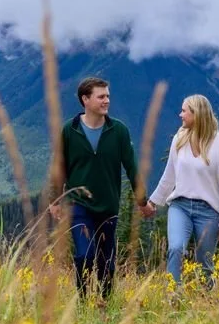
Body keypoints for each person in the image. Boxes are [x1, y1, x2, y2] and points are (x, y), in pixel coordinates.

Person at [49, 76, 150, 302]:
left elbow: (132, 167)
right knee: (85, 255)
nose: (106, 101)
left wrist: (142, 201)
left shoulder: (119, 131)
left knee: (107, 261)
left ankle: (105, 304)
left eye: (108, 96)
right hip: (78, 205)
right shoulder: (69, 130)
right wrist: (55, 200)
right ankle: (84, 304)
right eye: (101, 96)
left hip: (108, 205)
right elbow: (59, 167)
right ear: (85, 99)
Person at [144, 94, 219, 289]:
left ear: (197, 114)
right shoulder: (179, 139)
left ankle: (207, 302)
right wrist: (153, 202)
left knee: (204, 261)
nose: (180, 114)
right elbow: (169, 175)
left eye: (184, 111)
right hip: (180, 206)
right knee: (176, 248)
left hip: (209, 211)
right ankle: (173, 297)